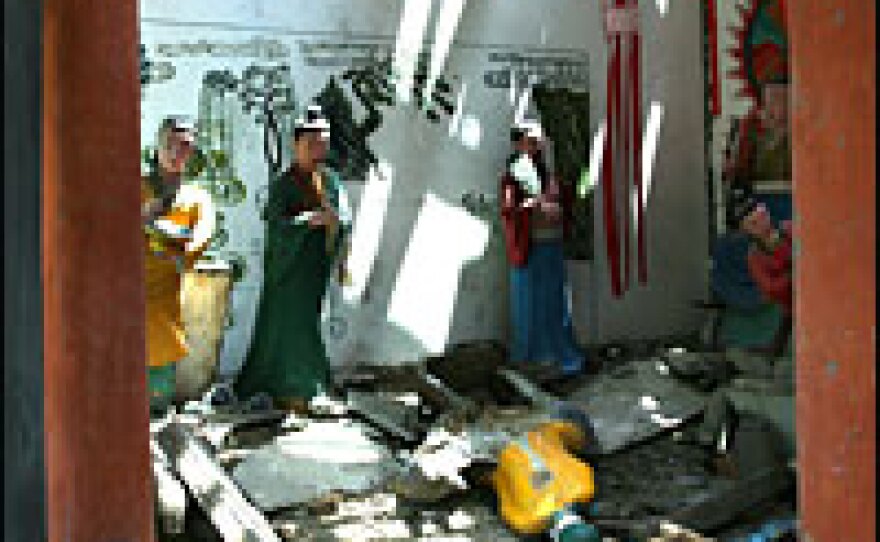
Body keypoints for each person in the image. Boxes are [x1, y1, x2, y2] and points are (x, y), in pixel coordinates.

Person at [234, 105, 351, 410]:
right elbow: (276, 224)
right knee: (280, 327)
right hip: (286, 271)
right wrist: (308, 221)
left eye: (323, 143)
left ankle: (309, 382)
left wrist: (336, 221)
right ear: (295, 144)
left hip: (313, 269)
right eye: (311, 143)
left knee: (308, 326)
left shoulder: (330, 181)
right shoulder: (284, 184)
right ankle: (274, 384)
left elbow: (344, 216)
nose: (318, 150)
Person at [500, 119, 584, 377]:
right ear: (519, 144)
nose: (538, 145)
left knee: (555, 304)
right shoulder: (512, 177)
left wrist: (563, 203)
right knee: (529, 306)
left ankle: (560, 356)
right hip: (530, 250)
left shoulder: (549, 176)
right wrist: (532, 206)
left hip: (552, 248)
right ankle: (530, 359)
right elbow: (508, 210)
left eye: (539, 140)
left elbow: (563, 202)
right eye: (531, 140)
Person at [143, 117, 215, 415]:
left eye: (184, 147)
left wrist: (173, 239)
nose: (175, 153)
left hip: (165, 289)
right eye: (169, 144)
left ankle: (156, 411)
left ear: (192, 152)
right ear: (157, 146)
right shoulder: (135, 186)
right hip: (125, 284)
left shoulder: (197, 197)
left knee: (162, 345)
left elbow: (203, 233)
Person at [727, 185, 793, 357]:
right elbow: (771, 288)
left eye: (758, 211)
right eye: (750, 220)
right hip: (790, 309)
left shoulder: (791, 229)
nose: (757, 218)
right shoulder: (755, 257)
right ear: (744, 230)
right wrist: (793, 274)